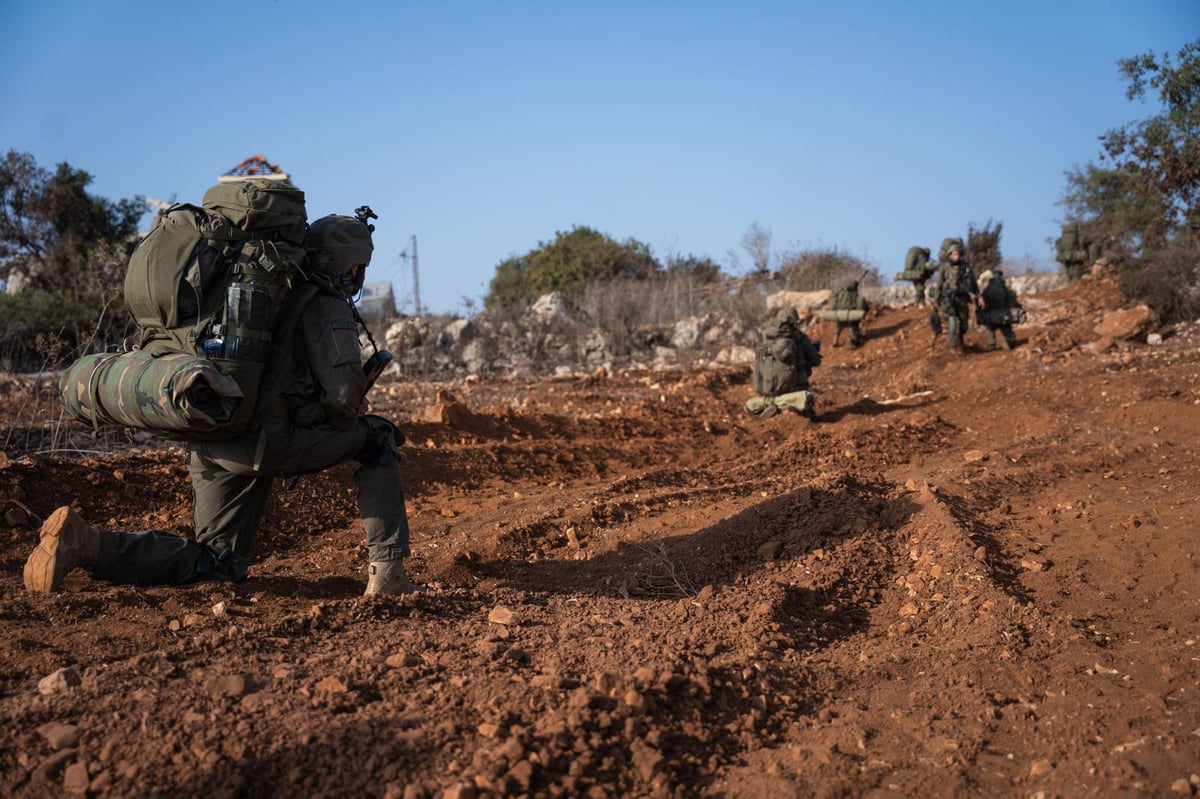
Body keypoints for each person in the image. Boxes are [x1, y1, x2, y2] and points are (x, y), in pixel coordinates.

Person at [24, 214, 421, 596]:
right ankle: (388, 576)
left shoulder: (253, 290)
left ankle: (88, 544)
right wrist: (352, 406)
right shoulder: (325, 304)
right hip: (268, 444)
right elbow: (341, 401)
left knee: (215, 562)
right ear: (352, 268)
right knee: (378, 439)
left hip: (214, 433)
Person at [745, 307, 822, 421]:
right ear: (795, 322)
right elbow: (816, 361)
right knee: (807, 403)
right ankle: (793, 409)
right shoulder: (799, 337)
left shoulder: (767, 336)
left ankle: (766, 406)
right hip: (793, 386)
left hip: (765, 388)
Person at [934, 242, 980, 353]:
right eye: (954, 254)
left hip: (962, 299)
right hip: (949, 299)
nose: (956, 256)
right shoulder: (945, 267)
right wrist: (936, 300)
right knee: (952, 322)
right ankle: (952, 346)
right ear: (949, 255)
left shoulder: (966, 267)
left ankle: (960, 339)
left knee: (964, 324)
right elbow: (939, 284)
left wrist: (979, 296)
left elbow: (973, 284)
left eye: (958, 254)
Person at [977, 269, 1022, 350]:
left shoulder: (988, 288)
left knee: (989, 326)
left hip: (992, 314)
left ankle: (991, 344)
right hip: (1005, 313)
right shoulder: (1003, 287)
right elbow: (1012, 298)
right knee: (1006, 326)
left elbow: (983, 301)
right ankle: (1010, 342)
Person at [830, 278, 869, 347]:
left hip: (840, 315)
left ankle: (835, 341)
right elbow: (860, 303)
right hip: (851, 314)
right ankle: (852, 339)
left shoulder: (838, 294)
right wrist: (863, 311)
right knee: (853, 326)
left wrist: (836, 311)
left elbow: (833, 305)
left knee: (838, 327)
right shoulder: (854, 294)